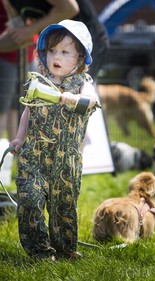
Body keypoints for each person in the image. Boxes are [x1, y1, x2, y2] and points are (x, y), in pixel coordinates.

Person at [9, 20, 99, 260]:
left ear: (79, 58)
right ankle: (39, 250)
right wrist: (19, 138)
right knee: (30, 199)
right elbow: (28, 110)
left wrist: (70, 98)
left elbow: (90, 102)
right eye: (52, 51)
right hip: (34, 155)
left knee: (63, 208)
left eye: (64, 51)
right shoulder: (38, 81)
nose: (56, 57)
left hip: (65, 160)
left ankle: (65, 249)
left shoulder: (83, 85)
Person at [0, 0, 109, 80]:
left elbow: (69, 8)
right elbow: (17, 35)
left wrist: (31, 30)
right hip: (56, 52)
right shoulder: (9, 2)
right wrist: (28, 31)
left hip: (85, 46)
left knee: (76, 93)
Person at [0, 1, 35, 140]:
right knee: (1, 108)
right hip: (4, 57)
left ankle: (16, 153)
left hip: (29, 55)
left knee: (20, 108)